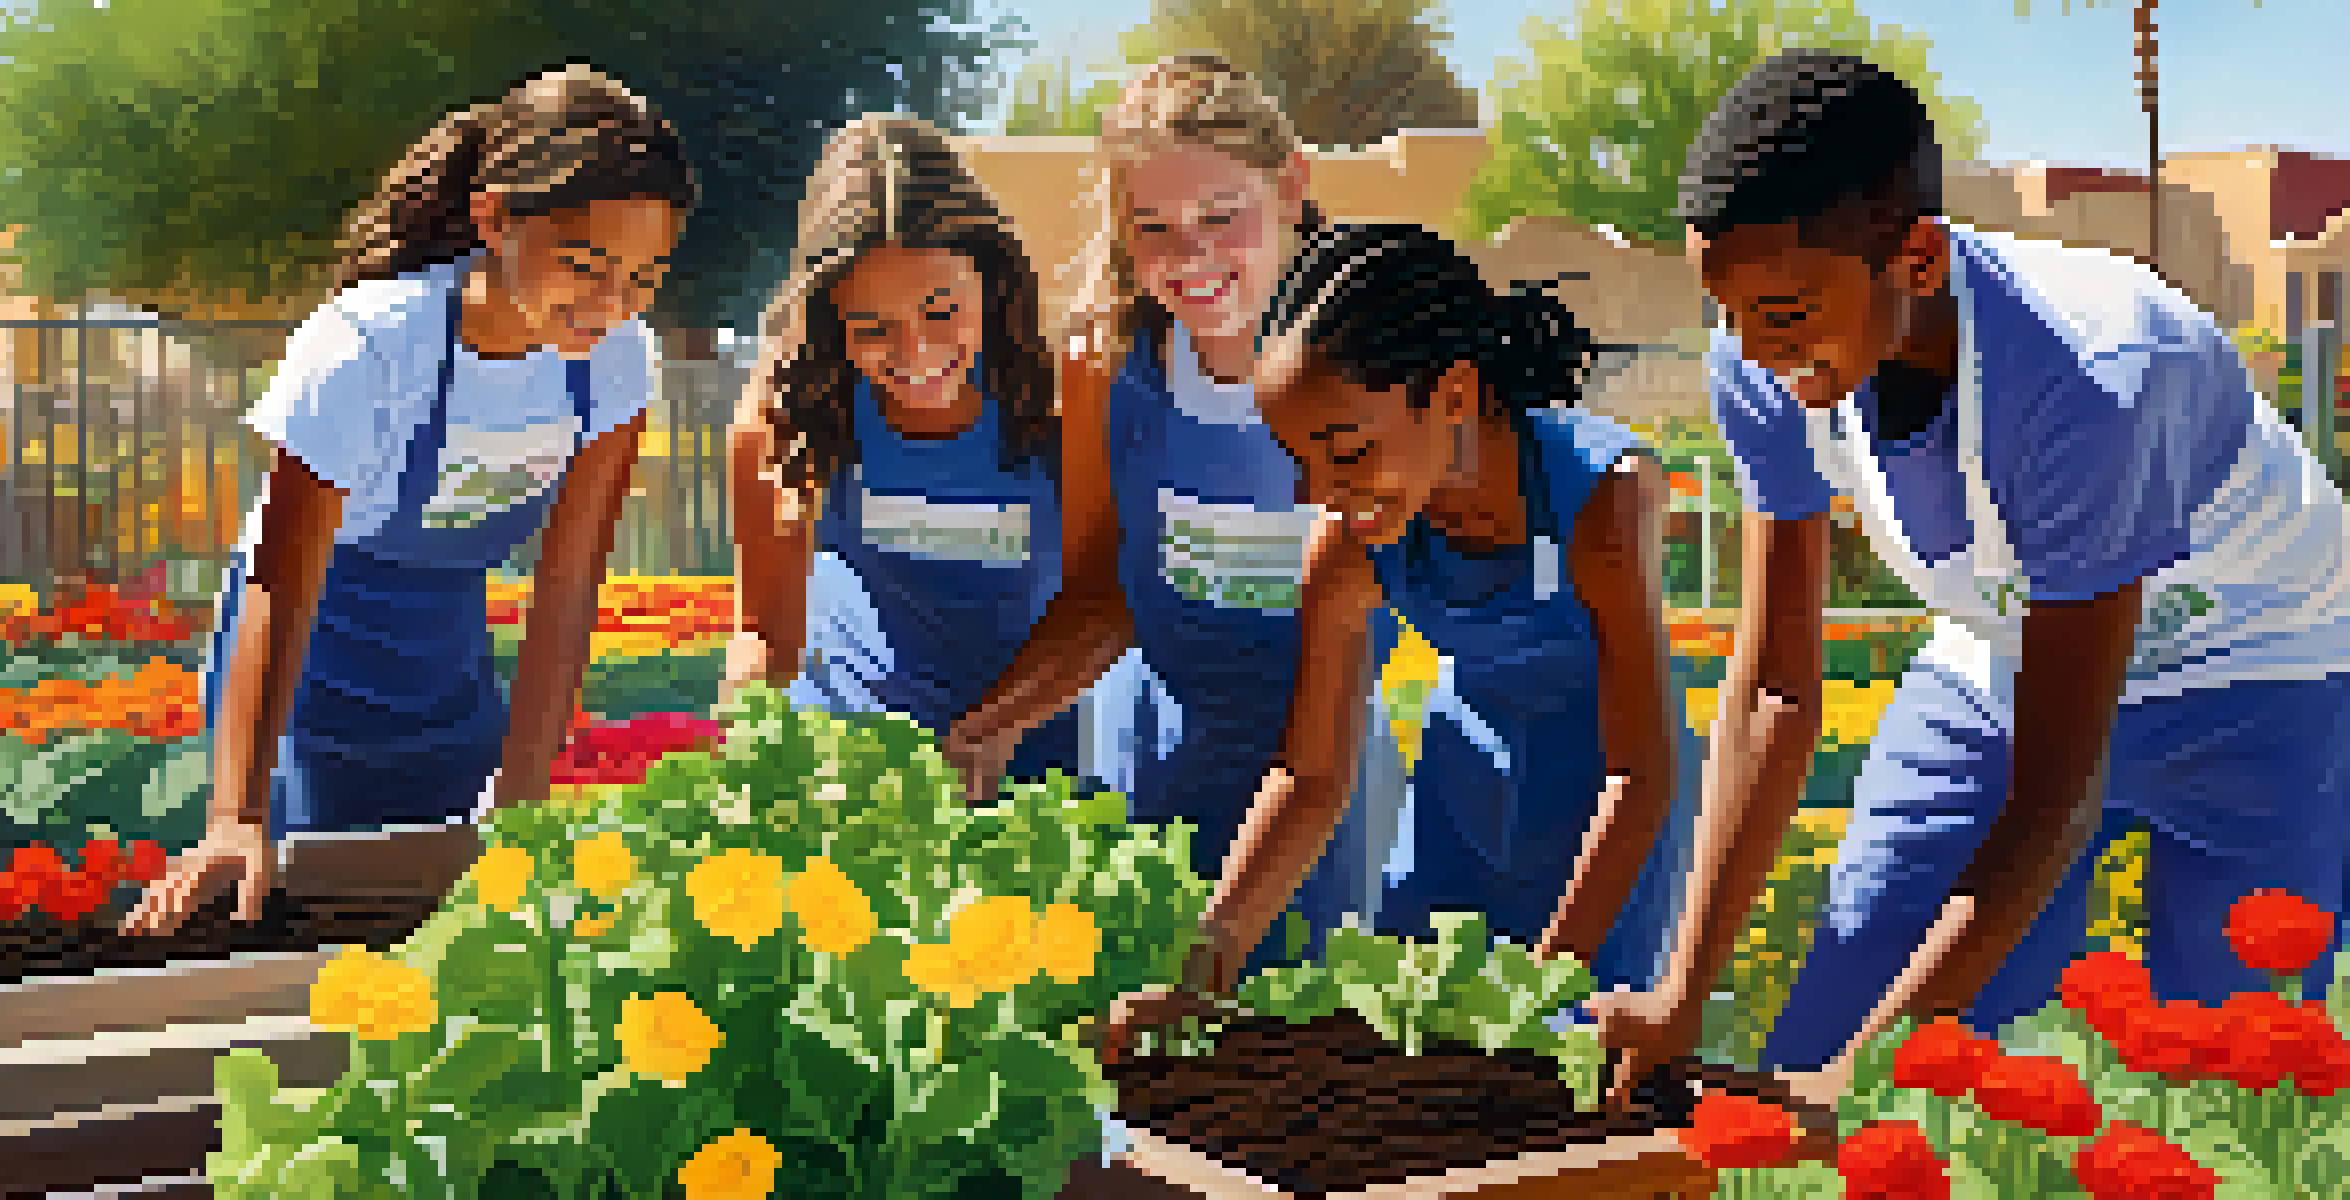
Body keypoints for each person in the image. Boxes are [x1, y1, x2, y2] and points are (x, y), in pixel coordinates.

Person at [1593, 49, 2350, 1104]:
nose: (1751, 352)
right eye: (1728, 311)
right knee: (1843, 1007)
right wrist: (1682, 991)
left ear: (1916, 257)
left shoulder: (2092, 379)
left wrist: (1861, 1084)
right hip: (2004, 659)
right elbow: (1773, 690)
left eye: (1785, 314)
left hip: (2260, 669)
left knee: (2233, 1074)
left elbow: (2054, 796)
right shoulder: (1764, 362)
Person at [124, 65, 693, 933]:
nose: (611, 306)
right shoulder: (368, 346)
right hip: (307, 674)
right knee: (305, 931)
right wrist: (235, 817)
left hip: (447, 670)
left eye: (644, 278)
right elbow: (280, 582)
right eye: (586, 265)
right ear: (497, 218)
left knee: (455, 924)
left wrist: (524, 791)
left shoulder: (617, 362)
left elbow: (569, 585)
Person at [1101, 224, 1699, 1038]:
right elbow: (1309, 774)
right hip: (1462, 780)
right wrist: (1208, 960)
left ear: (1453, 396)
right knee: (1413, 1038)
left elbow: (1639, 773)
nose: (1323, 494)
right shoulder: (1350, 546)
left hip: (1612, 808)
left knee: (1564, 1073)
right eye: (1300, 462)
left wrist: (1539, 990)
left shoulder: (1604, 503)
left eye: (1346, 452)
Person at [943, 55, 1406, 972]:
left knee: (1301, 1050)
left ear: (1292, 185)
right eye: (1150, 227)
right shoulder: (1107, 364)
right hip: (1148, 760)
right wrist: (988, 726)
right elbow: (1103, 593)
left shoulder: (1374, 359)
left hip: (1326, 786)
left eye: (1219, 218)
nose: (1188, 256)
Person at [724, 115, 1141, 798]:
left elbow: (1105, 603)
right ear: (832, 322)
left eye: (942, 311)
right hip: (854, 756)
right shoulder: (785, 414)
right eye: (873, 328)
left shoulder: (1069, 401)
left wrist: (992, 729)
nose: (916, 355)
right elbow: (765, 632)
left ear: (991, 282)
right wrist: (746, 747)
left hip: (1030, 750)